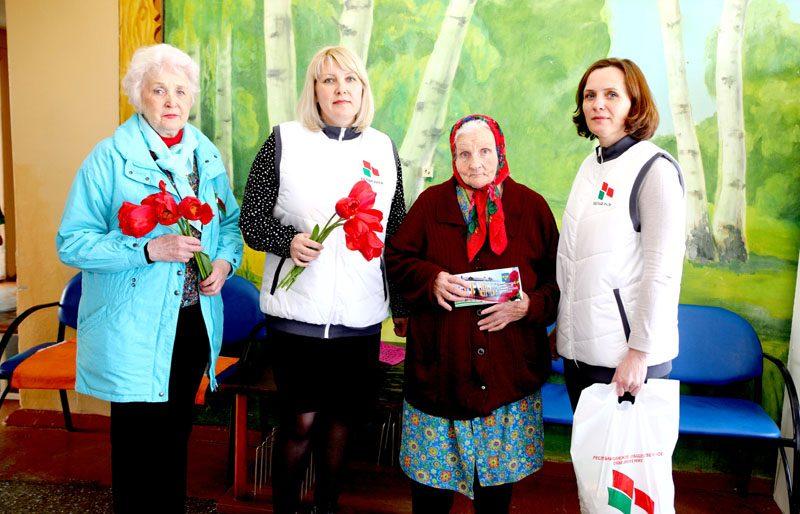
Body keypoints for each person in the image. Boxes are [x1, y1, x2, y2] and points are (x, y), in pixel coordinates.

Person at [56, 43, 243, 513]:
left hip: (192, 322)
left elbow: (229, 224)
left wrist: (223, 264)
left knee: (174, 440)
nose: (171, 101)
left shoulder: (204, 154)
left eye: (181, 90)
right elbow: (72, 242)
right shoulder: (109, 157)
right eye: (159, 90)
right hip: (132, 328)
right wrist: (145, 249)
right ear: (138, 95)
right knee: (138, 447)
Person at [239, 45, 407, 514]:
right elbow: (251, 220)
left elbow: (395, 232)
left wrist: (401, 307)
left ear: (363, 90)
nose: (340, 89)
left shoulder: (383, 148)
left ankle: (328, 508)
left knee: (341, 423)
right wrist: (287, 241)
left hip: (360, 318)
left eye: (350, 80)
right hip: (297, 319)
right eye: (329, 80)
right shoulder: (284, 141)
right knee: (300, 423)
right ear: (314, 89)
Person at [386, 114, 559, 514]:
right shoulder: (431, 204)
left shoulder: (531, 207)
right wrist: (431, 279)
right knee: (430, 501)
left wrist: (528, 306)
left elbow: (559, 284)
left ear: (501, 153)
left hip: (506, 382)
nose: (475, 163)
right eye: (464, 154)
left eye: (485, 151)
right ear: (453, 157)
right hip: (440, 379)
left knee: (494, 500)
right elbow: (396, 258)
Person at [556, 58, 686, 410]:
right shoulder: (591, 165)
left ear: (634, 103)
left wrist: (640, 353)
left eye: (611, 94)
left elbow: (663, 272)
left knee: (624, 451)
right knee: (587, 449)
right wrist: (565, 331)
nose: (597, 104)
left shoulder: (654, 170)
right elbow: (577, 259)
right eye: (589, 96)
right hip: (581, 357)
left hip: (626, 364)